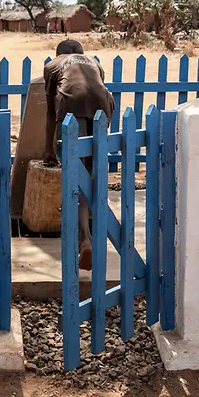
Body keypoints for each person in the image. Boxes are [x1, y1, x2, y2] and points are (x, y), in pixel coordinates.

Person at [42, 39, 115, 271]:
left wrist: (49, 148)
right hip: (103, 106)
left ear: (58, 53)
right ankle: (93, 233)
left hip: (72, 105)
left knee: (76, 178)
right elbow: (97, 89)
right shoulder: (95, 63)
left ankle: (85, 240)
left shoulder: (53, 65)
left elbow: (50, 111)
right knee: (91, 173)